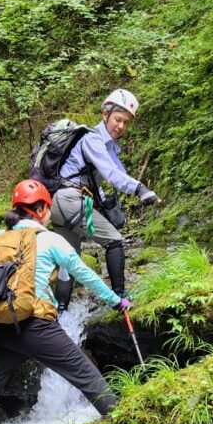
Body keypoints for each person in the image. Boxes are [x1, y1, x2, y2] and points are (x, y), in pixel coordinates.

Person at [0, 179, 131, 424]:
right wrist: (117, 301)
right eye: (48, 208)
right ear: (41, 209)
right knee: (86, 376)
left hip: (5, 325)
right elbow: (85, 274)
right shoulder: (51, 240)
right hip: (38, 326)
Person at [51, 88, 159, 310]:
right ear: (105, 114)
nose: (121, 126)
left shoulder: (107, 145)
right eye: (118, 119)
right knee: (115, 241)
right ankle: (120, 298)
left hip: (59, 201)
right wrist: (140, 189)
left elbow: (109, 175)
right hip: (71, 200)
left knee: (69, 260)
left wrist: (105, 204)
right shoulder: (93, 138)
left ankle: (61, 313)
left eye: (126, 123)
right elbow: (111, 174)